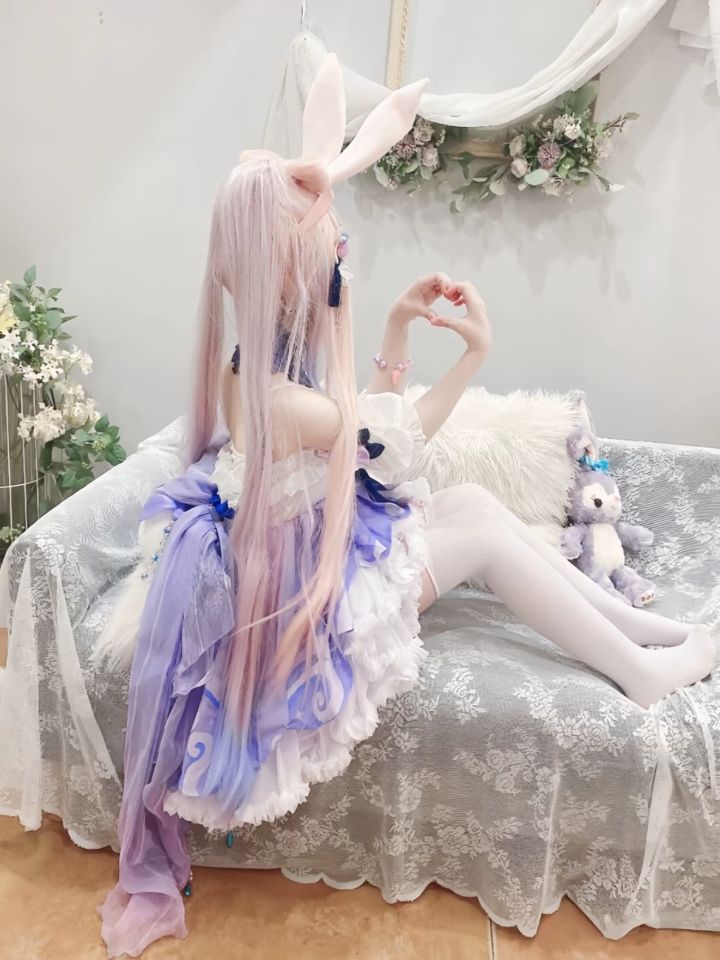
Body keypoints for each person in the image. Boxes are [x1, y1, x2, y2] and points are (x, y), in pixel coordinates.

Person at [96, 53, 713, 957]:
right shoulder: (279, 396)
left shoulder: (264, 364)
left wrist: (387, 325)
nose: (338, 262)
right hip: (298, 594)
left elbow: (373, 439)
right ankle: (643, 670)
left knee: (473, 504)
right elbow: (391, 440)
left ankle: (643, 633)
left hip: (305, 543)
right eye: (329, 255)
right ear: (292, 275)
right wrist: (459, 354)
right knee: (484, 537)